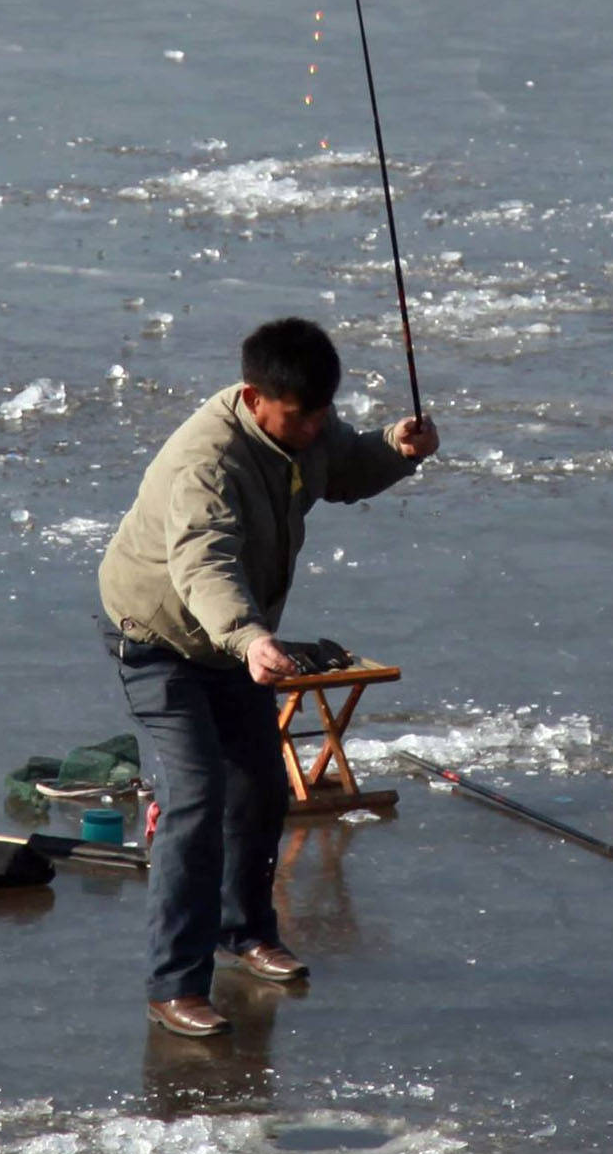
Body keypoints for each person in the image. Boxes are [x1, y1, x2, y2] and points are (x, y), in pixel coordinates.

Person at [99, 318, 438, 1037]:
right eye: (301, 416)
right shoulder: (206, 463)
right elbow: (203, 562)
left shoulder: (307, 425)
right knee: (196, 798)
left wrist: (395, 449)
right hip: (159, 638)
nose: (315, 427)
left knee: (261, 787)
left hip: (233, 643)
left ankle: (243, 931)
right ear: (256, 398)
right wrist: (251, 637)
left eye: (322, 413)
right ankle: (175, 984)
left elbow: (344, 465)